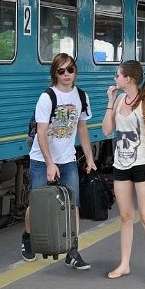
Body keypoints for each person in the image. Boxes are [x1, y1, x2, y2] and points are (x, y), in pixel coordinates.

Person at [21, 53, 97, 268]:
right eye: (61, 71)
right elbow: (41, 133)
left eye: (70, 70)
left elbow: (82, 128)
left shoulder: (81, 96)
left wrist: (89, 158)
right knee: (37, 206)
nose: (66, 75)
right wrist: (49, 163)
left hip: (68, 160)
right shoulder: (47, 97)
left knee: (73, 206)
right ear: (54, 73)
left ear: (75, 72)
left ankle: (72, 251)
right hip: (41, 160)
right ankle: (28, 238)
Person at [101, 60, 145, 285]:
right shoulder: (119, 100)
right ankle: (124, 264)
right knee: (126, 217)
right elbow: (107, 130)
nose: (115, 79)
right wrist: (110, 102)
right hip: (121, 165)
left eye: (117, 75)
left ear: (127, 78)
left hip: (144, 165)